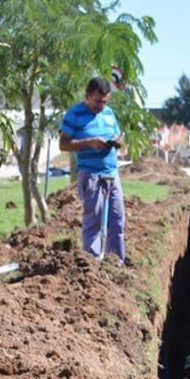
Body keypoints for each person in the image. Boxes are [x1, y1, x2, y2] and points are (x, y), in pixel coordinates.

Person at [58, 77, 125, 262]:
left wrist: (118, 142)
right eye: (97, 101)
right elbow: (63, 144)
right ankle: (92, 264)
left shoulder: (109, 113)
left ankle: (116, 262)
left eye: (104, 101)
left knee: (117, 221)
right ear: (87, 96)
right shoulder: (74, 114)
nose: (101, 106)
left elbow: (118, 135)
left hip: (112, 173)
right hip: (91, 176)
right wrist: (89, 142)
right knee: (93, 222)